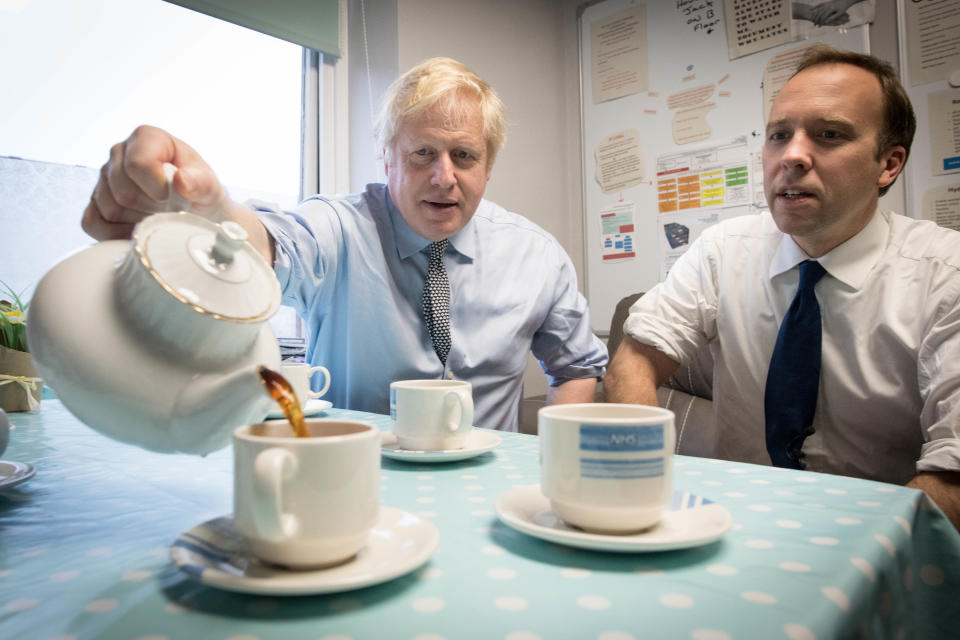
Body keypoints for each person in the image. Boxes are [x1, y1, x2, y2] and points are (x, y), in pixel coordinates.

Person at [82, 57, 607, 432]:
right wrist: (206, 213)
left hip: (487, 489)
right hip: (352, 482)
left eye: (464, 156)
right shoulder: (339, 228)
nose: (444, 177)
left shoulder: (538, 256)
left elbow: (578, 367)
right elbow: (269, 243)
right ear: (388, 160)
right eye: (423, 152)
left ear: (488, 167)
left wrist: (553, 460)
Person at [605, 46, 960, 530]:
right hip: (729, 526)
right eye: (778, 135)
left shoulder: (946, 273)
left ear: (889, 164)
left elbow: (952, 474)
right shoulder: (723, 249)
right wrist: (646, 488)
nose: (792, 155)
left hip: (880, 542)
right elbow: (635, 359)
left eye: (829, 135)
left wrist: (853, 564)